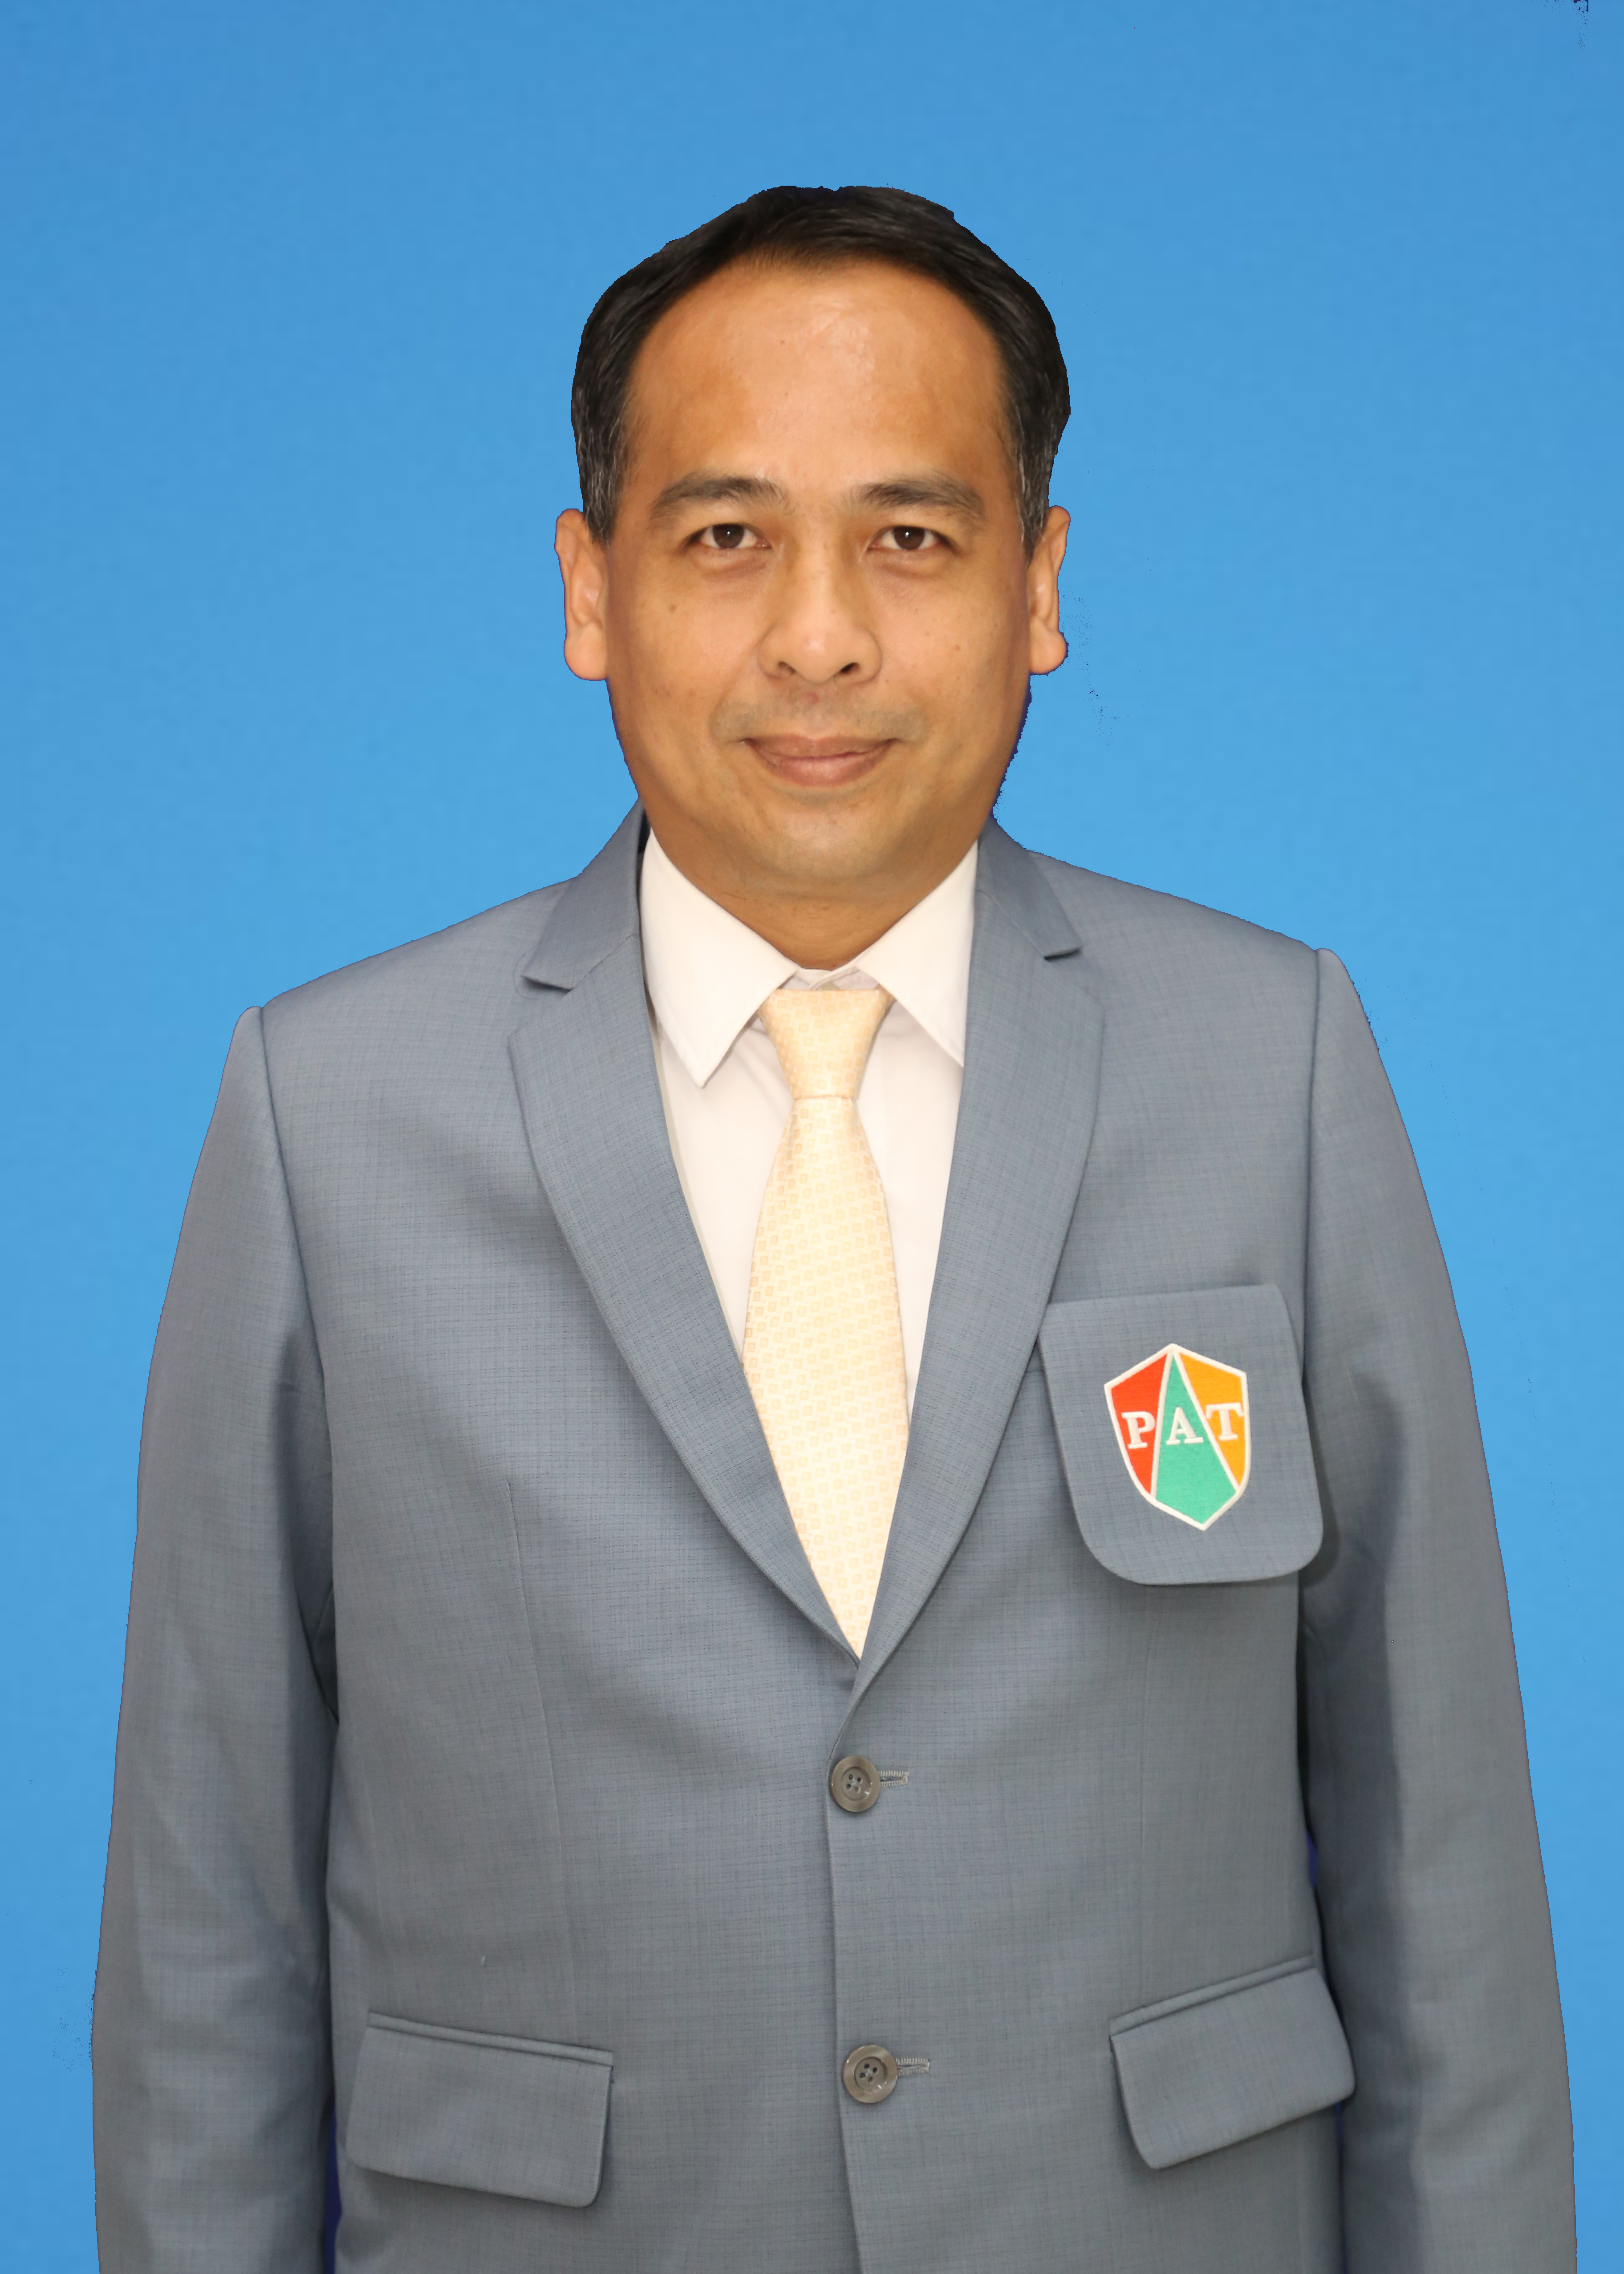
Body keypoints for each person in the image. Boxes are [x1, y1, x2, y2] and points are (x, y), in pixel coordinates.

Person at [93, 184, 1573, 2272]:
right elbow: (207, 1915)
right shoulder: (324, 1114)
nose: (819, 637)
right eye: (724, 537)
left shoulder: (1276, 1063)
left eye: (912, 538)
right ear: (590, 587)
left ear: (1040, 585)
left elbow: (1447, 1873)